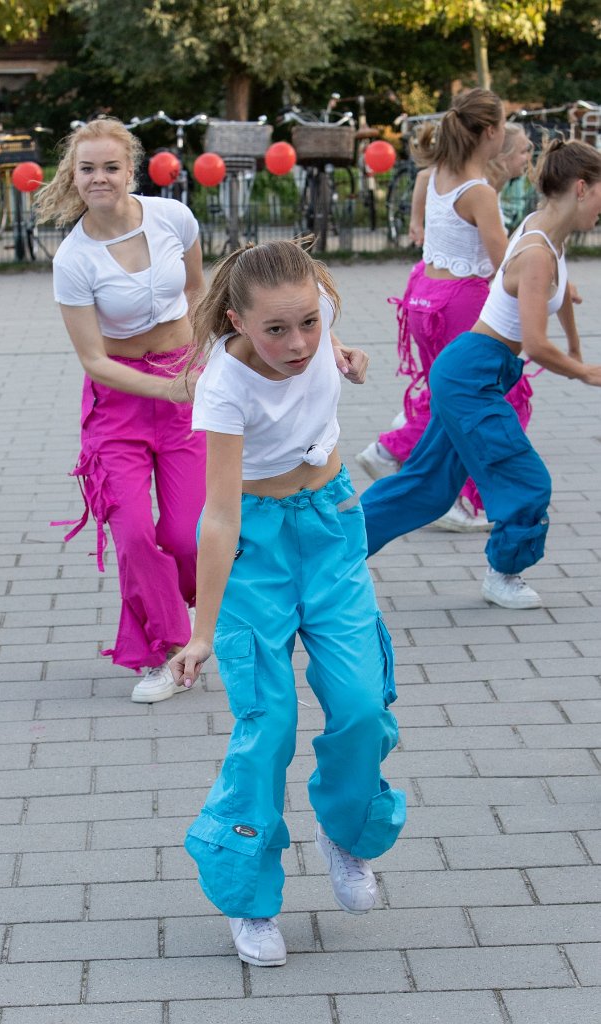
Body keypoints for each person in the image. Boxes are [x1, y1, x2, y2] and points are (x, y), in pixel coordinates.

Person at [170, 240, 405, 968]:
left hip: (332, 527)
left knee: (362, 703)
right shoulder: (223, 388)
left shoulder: (316, 312)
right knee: (267, 724)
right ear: (237, 320)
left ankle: (344, 831)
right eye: (275, 331)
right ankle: (249, 898)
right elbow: (217, 518)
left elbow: (324, 346)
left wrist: (348, 358)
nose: (296, 342)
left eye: (307, 323)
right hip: (254, 552)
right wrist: (200, 632)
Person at [360, 137, 601, 610]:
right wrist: (582, 371)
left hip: (474, 371)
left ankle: (332, 551)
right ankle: (503, 574)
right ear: (581, 188)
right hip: (473, 374)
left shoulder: (547, 233)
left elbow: (561, 288)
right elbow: (534, 343)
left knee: (428, 489)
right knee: (528, 481)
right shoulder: (535, 251)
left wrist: (575, 343)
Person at [35, 117, 206, 703]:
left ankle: (191, 608)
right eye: (88, 169)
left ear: (130, 171)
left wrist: (203, 363)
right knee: (135, 536)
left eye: (111, 167)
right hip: (120, 407)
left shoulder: (173, 218)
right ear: (74, 176)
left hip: (183, 383)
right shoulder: (74, 260)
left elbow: (198, 291)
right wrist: (165, 390)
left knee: (186, 537)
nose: (99, 178)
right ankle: (166, 651)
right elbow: (92, 359)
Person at [356, 89, 512, 532]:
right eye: (502, 126)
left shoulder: (438, 173)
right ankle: (444, 489)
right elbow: (503, 265)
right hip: (463, 303)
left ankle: (411, 470)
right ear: (489, 132)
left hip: (424, 295)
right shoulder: (480, 192)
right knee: (469, 402)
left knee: (444, 396)